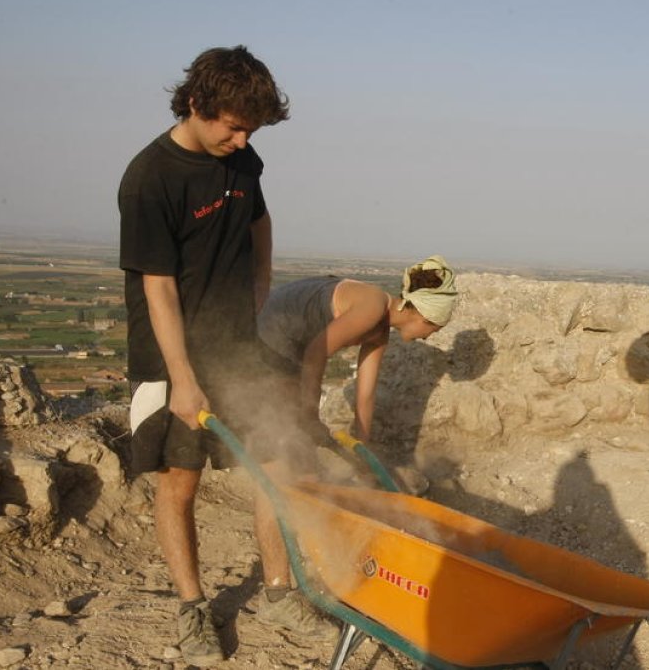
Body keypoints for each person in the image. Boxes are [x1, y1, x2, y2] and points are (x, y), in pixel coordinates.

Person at [119, 46, 323, 667]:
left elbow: (259, 218)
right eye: (233, 126)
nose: (241, 141)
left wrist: (262, 281)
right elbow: (158, 287)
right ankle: (192, 609)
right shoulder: (151, 177)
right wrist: (182, 380)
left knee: (276, 466)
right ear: (197, 104)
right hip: (171, 355)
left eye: (251, 130)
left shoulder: (244, 159)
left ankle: (280, 592)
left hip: (239, 346)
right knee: (180, 484)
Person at [255, 256, 458, 458]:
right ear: (424, 316)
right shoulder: (373, 308)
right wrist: (311, 414)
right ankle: (273, 469)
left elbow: (366, 395)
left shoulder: (380, 333)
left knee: (298, 419)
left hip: (298, 334)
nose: (426, 337)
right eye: (433, 330)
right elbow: (316, 354)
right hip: (276, 320)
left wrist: (364, 450)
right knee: (290, 411)